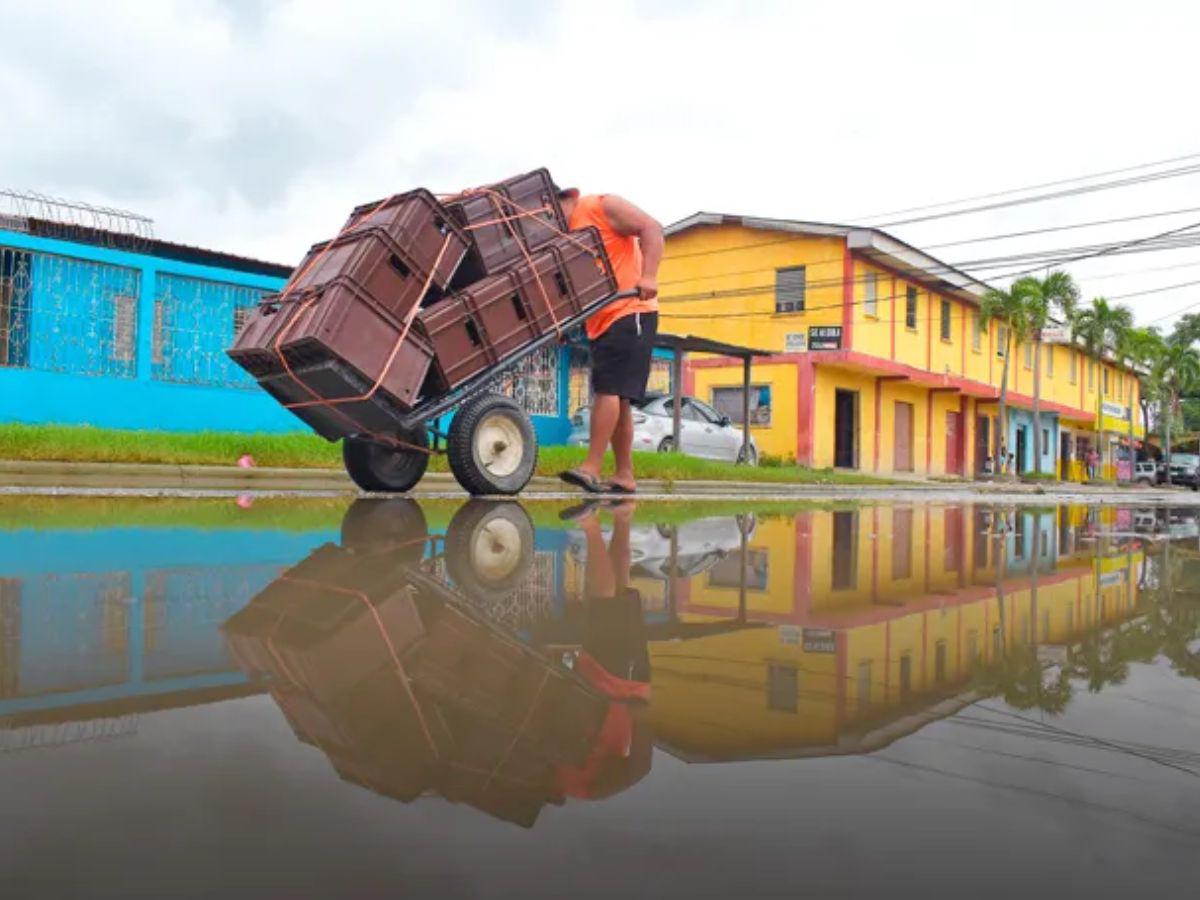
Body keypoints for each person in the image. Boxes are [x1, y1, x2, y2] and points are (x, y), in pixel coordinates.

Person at [556, 186, 664, 494]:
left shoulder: (601, 206)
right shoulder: (565, 238)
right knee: (621, 401)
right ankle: (624, 474)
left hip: (631, 310)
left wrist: (650, 275)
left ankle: (591, 467)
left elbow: (652, 228)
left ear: (568, 196)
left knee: (608, 390)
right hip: (602, 321)